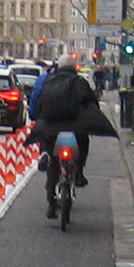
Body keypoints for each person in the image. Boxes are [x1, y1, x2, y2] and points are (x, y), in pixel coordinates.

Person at [27, 60, 114, 215]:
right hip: (76, 126)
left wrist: (36, 118)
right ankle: (79, 171)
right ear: (74, 68)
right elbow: (92, 103)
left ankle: (51, 200)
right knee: (83, 141)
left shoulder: (49, 81)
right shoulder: (80, 82)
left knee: (53, 161)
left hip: (52, 126)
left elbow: (38, 103)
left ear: (58, 67)